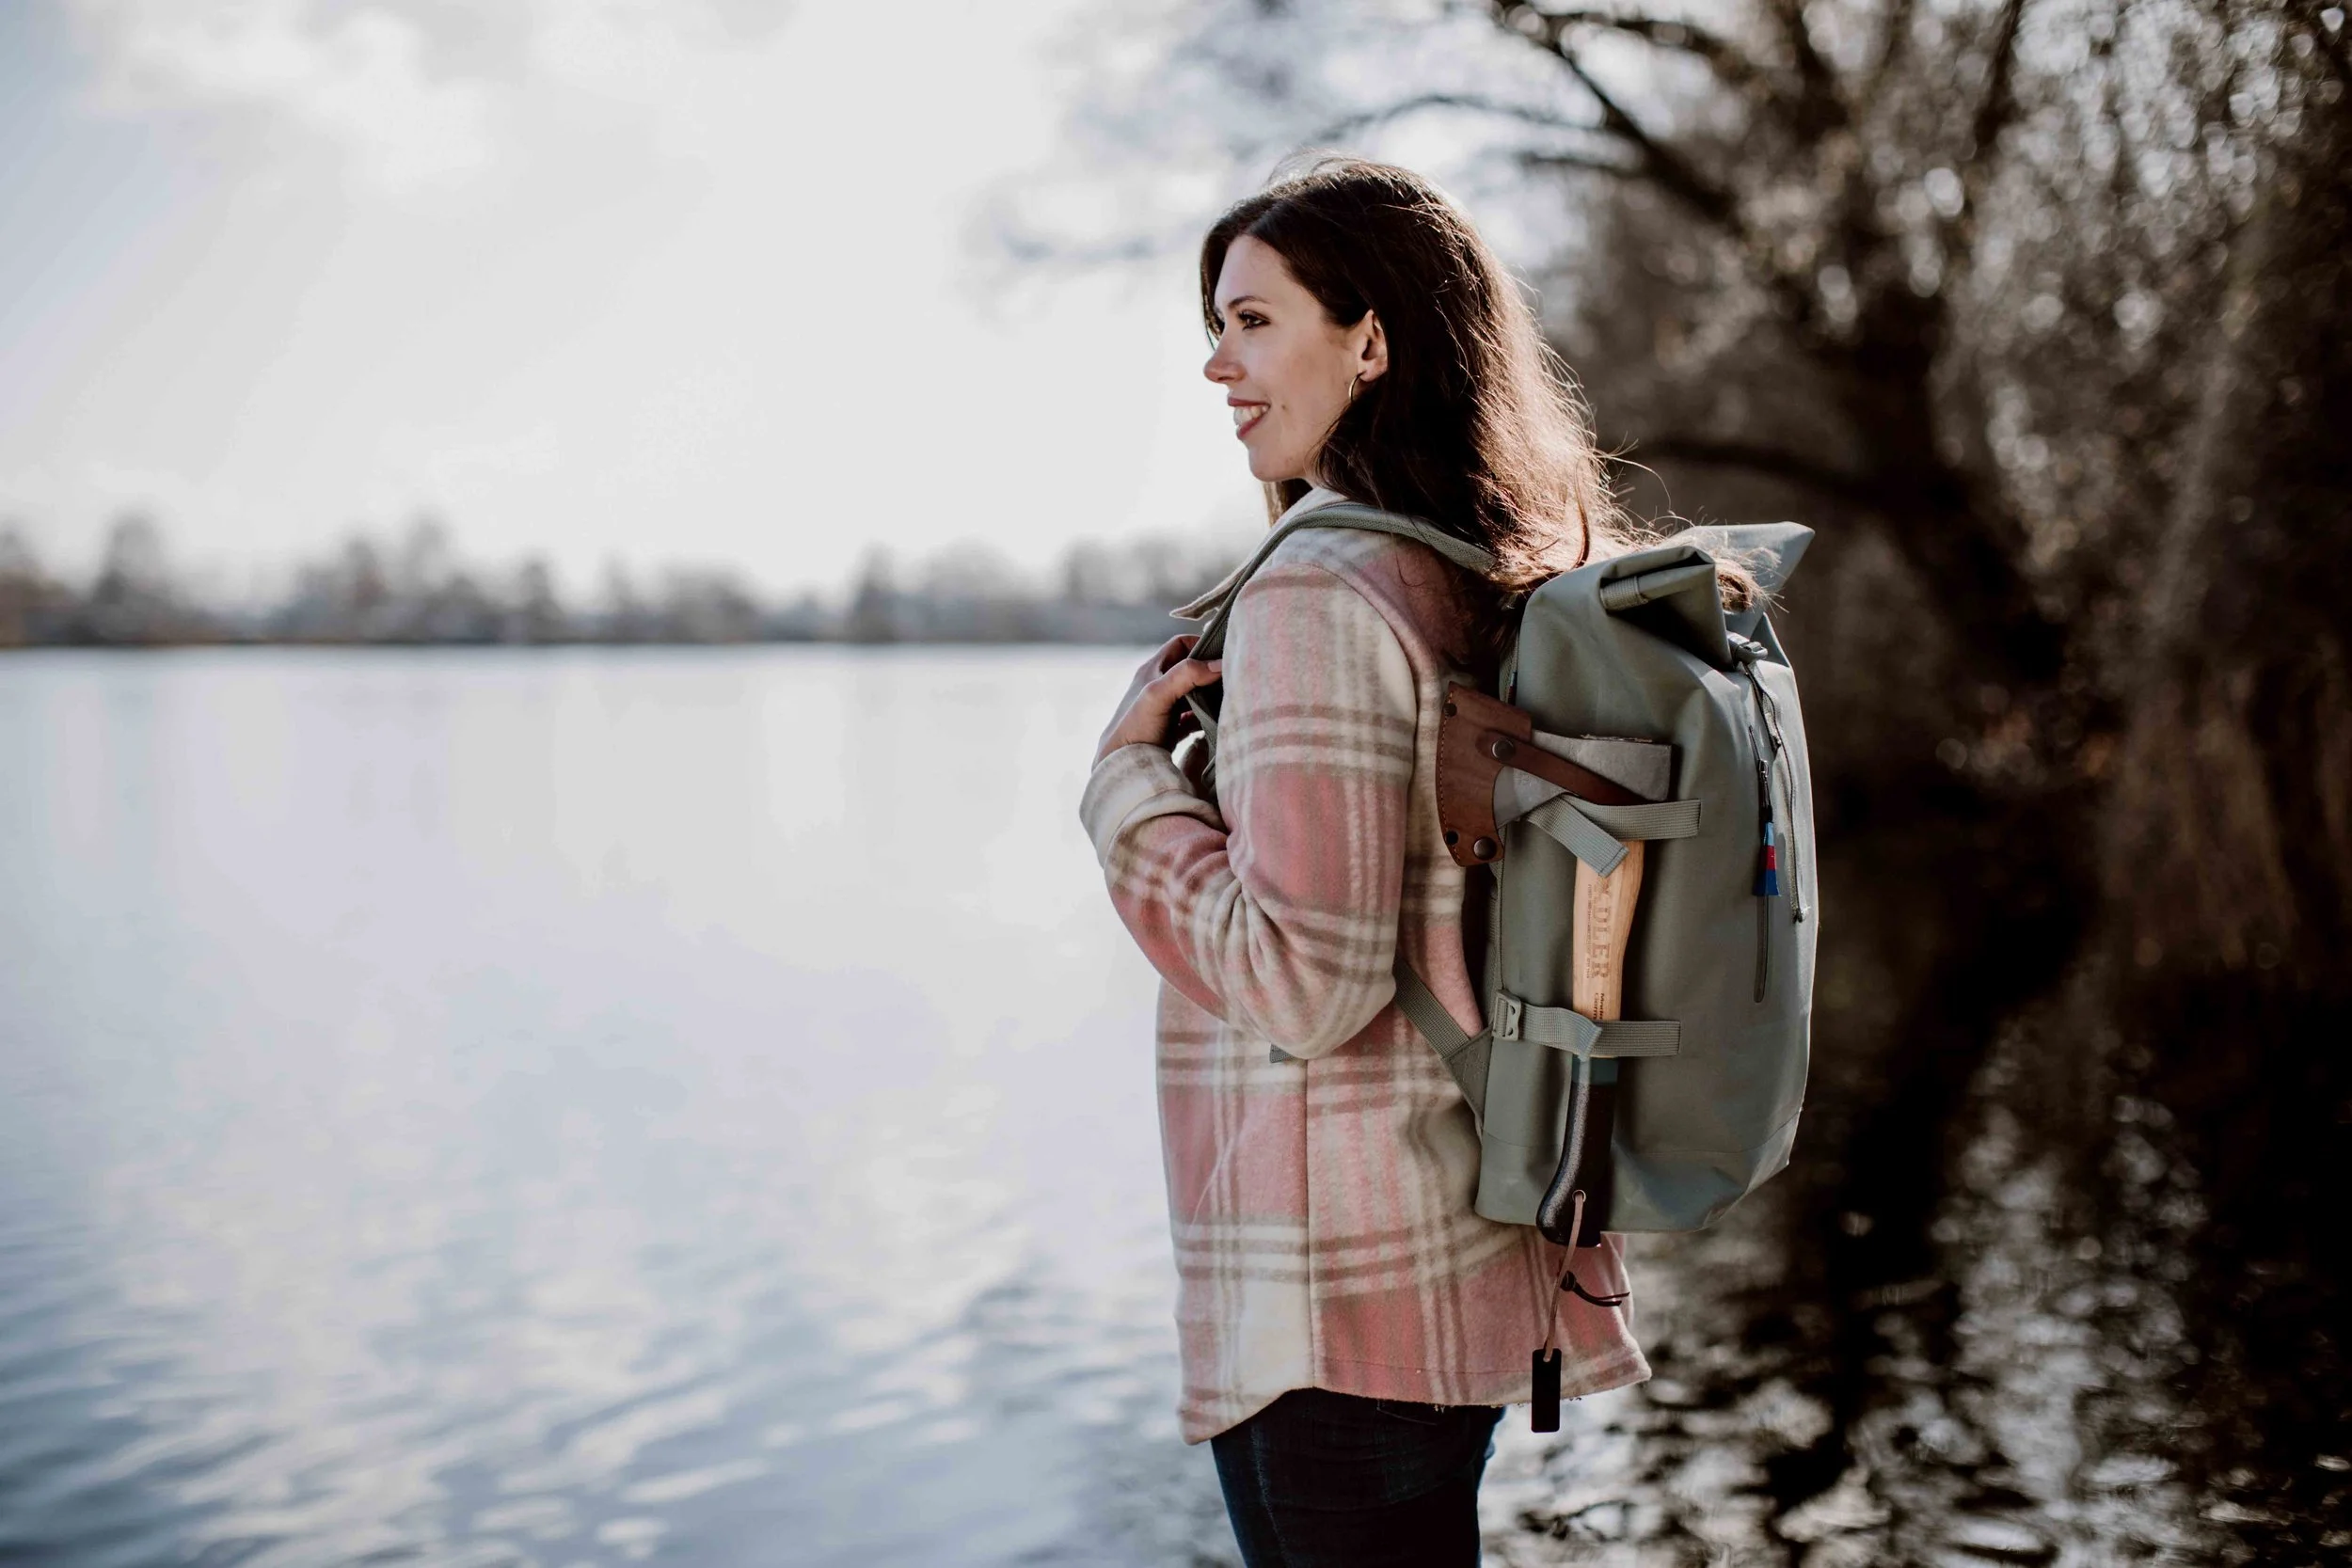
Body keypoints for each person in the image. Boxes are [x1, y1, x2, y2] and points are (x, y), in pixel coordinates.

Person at [1079, 158, 1651, 1567]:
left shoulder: (1321, 590)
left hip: (1334, 1296)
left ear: (1373, 338)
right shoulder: (1470, 563)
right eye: (1215, 329)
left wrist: (1126, 795)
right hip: (1447, 1246)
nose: (1218, 366)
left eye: (1254, 321)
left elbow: (1306, 980)